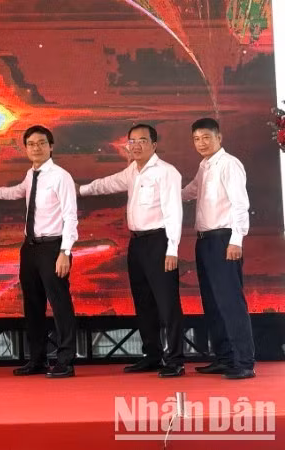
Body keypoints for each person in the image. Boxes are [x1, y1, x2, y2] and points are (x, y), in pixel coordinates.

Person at [79, 124, 185, 377]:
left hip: (160, 242)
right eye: (131, 141)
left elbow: (174, 212)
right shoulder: (132, 172)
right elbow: (107, 184)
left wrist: (172, 249)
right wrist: (79, 190)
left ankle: (176, 359)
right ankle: (152, 354)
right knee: (143, 300)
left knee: (167, 302)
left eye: (142, 141)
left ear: (154, 144)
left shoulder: (167, 172)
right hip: (137, 243)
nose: (136, 145)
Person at [0, 125, 78, 378]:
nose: (36, 148)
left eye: (41, 143)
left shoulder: (61, 176)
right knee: (33, 305)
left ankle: (65, 360)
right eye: (31, 144)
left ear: (51, 146)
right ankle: (37, 359)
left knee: (60, 304)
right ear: (26, 148)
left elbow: (71, 216)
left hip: (53, 247)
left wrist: (65, 251)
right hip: (30, 248)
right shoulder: (32, 174)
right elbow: (19, 192)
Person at [182, 118, 255, 380]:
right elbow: (191, 191)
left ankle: (244, 361)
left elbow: (240, 205)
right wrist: (165, 195)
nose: (201, 143)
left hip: (224, 240)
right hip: (204, 241)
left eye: (206, 137)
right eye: (196, 139)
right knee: (212, 303)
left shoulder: (229, 165)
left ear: (219, 138)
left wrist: (237, 240)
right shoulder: (205, 166)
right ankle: (224, 358)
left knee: (230, 302)